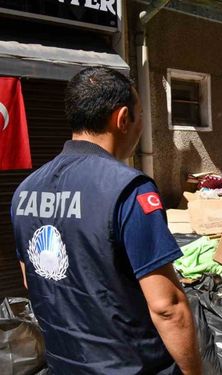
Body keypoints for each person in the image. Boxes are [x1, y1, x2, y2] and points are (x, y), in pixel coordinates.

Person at [10, 68, 201, 374]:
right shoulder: (129, 189)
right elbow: (167, 307)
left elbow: (32, 280)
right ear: (123, 119)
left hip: (63, 365)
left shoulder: (25, 191)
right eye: (140, 116)